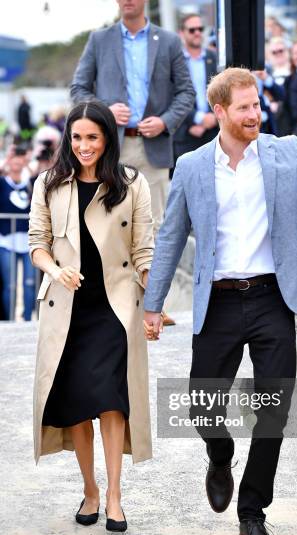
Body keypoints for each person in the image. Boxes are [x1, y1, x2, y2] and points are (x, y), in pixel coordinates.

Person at [143, 68, 297, 535]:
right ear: (220, 111)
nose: (255, 114)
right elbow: (169, 238)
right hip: (219, 301)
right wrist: (153, 304)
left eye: (256, 105)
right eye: (244, 107)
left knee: (273, 412)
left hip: (272, 298)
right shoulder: (191, 166)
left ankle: (252, 513)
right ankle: (219, 454)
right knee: (203, 405)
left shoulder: (286, 151)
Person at [28, 101, 154, 532]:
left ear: (107, 140)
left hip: (115, 308)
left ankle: (115, 496)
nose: (84, 146)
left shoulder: (132, 184)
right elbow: (37, 243)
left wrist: (151, 300)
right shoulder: (49, 183)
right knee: (80, 404)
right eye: (77, 137)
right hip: (67, 310)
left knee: (112, 402)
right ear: (68, 138)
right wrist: (54, 269)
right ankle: (90, 490)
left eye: (93, 137)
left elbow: (144, 250)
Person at [71, 0, 196, 326]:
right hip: (112, 147)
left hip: (153, 147)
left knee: (154, 228)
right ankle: (111, 306)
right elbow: (79, 89)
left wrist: (166, 120)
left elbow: (186, 92)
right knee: (107, 224)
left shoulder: (168, 41)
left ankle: (152, 306)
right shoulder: (100, 40)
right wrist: (104, 111)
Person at [172, 13, 218, 169]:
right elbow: (170, 96)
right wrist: (196, 119)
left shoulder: (215, 58)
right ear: (182, 33)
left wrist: (211, 119)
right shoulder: (173, 61)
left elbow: (223, 93)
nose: (197, 33)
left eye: (200, 28)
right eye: (192, 30)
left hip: (214, 131)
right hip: (186, 132)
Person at [0, 146, 35, 321]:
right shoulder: (2, 183)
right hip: (7, 241)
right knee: (10, 285)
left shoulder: (30, 183)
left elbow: (43, 176)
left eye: (20, 158)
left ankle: (27, 318)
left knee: (29, 284)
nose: (16, 161)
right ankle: (9, 319)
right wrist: (6, 159)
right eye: (14, 158)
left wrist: (28, 163)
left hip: (28, 241)